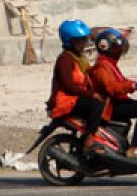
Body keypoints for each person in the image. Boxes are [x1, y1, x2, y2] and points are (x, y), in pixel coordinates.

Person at [88, 27, 137, 160]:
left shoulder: (110, 64)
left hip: (115, 102)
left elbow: (122, 82)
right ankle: (135, 147)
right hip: (109, 106)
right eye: (116, 48)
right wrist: (133, 85)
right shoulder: (102, 66)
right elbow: (112, 88)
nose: (119, 51)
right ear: (105, 47)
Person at [46, 19, 109, 154]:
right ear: (69, 41)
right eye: (79, 41)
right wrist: (92, 95)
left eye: (84, 40)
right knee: (96, 105)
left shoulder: (79, 58)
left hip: (75, 98)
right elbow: (69, 86)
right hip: (65, 101)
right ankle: (88, 140)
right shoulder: (65, 59)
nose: (83, 44)